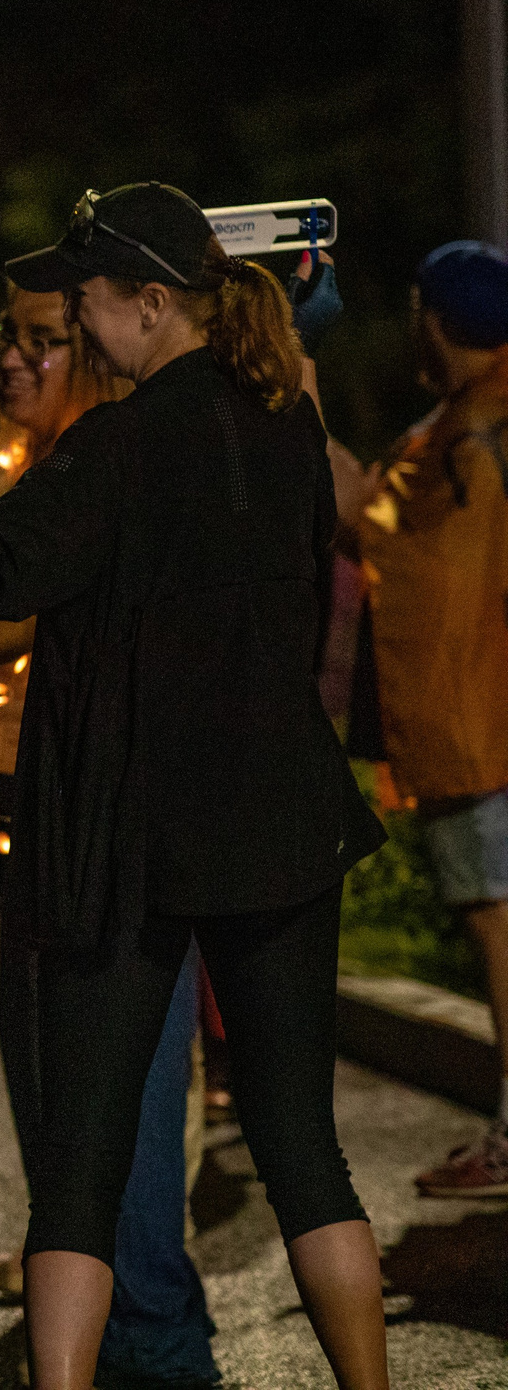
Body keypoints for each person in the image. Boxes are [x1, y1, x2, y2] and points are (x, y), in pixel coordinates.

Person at [0, 184, 389, 1390]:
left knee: (80, 1170)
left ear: (149, 302)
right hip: (282, 816)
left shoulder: (116, 449)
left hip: (128, 834)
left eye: (85, 297)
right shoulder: (284, 426)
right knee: (306, 1156)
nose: (77, 322)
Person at [352, 240, 508, 1199]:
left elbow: (399, 544)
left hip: (480, 721)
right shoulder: (470, 425)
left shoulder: (465, 442)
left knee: (500, 927)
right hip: (485, 715)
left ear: (437, 319)